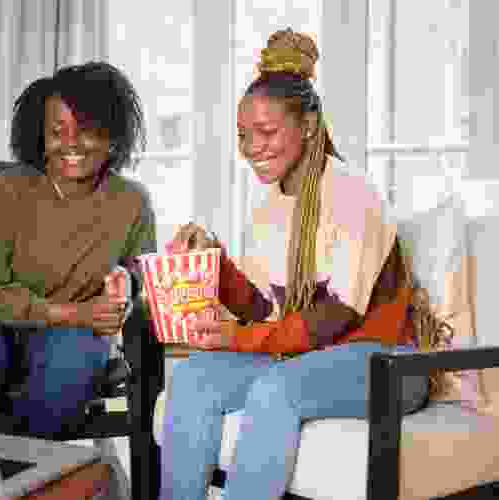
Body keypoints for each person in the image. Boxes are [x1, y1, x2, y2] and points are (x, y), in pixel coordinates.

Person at [159, 29, 453, 500]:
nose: (252, 147)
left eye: (267, 132)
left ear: (310, 125)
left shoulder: (353, 194)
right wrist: (211, 261)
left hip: (386, 363)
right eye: (243, 135)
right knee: (195, 376)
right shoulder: (271, 203)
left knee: (276, 388)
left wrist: (241, 339)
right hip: (309, 358)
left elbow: (334, 317)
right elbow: (261, 308)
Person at [0, 61, 156, 439]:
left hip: (72, 329)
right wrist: (72, 312)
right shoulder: (7, 190)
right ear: (40, 136)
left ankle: (29, 475)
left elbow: (138, 271)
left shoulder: (132, 203)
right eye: (57, 131)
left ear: (113, 137)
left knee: (71, 364)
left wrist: (124, 285)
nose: (71, 143)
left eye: (86, 130)